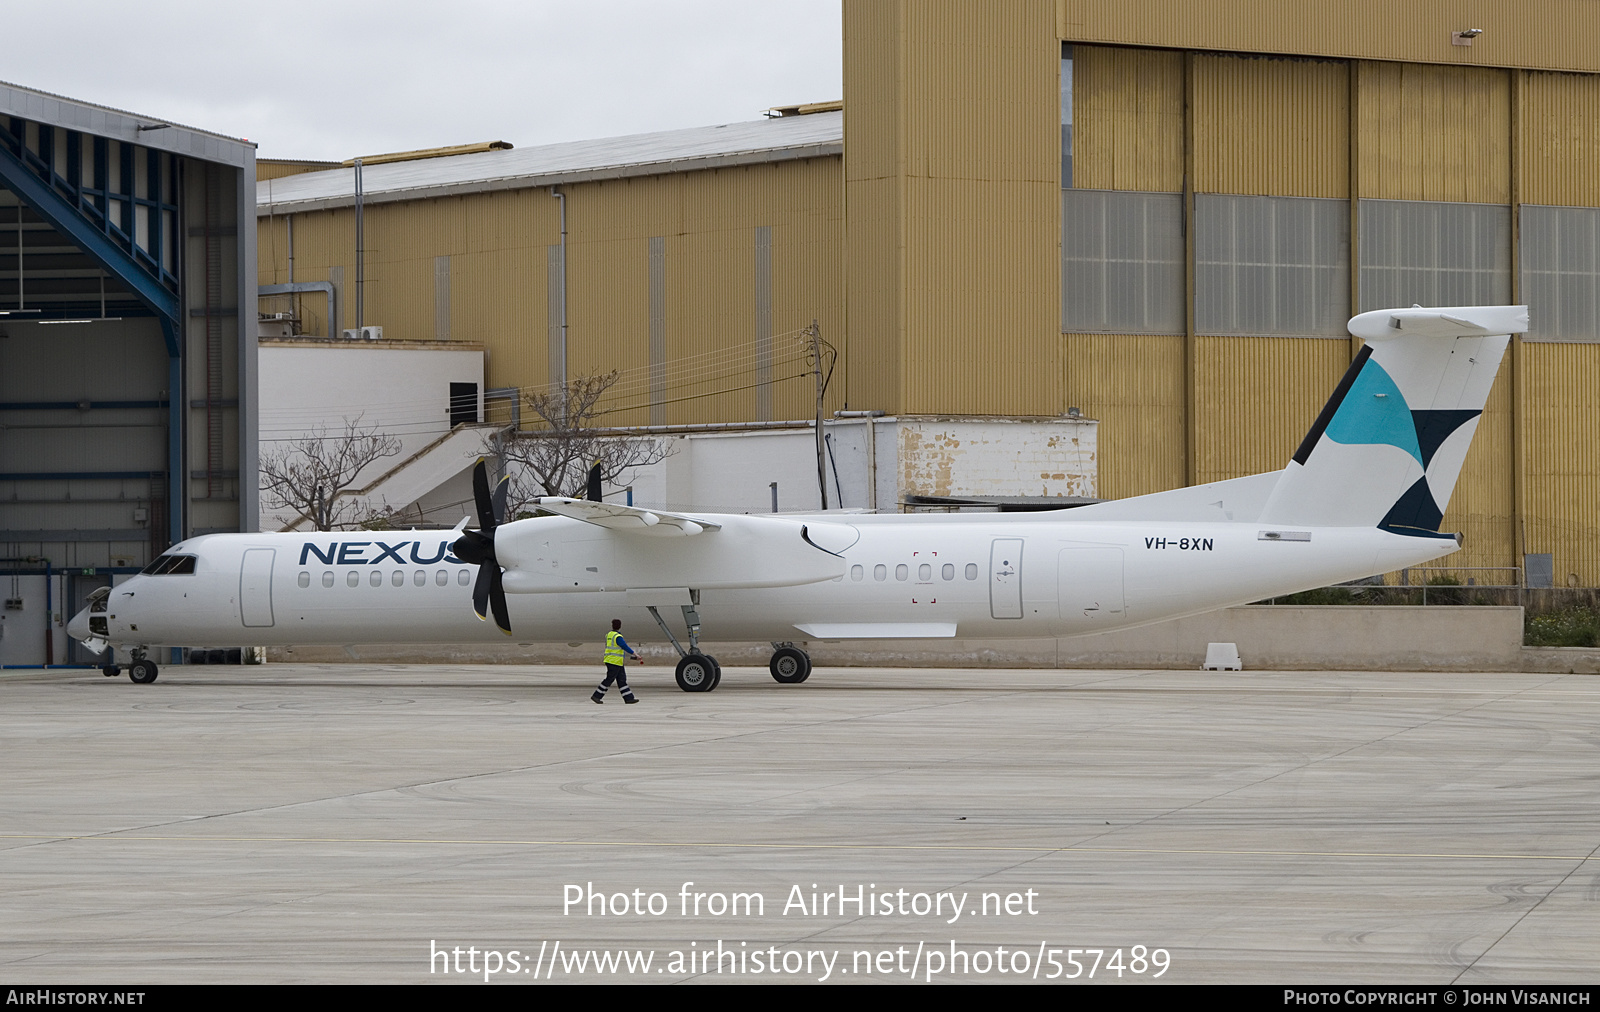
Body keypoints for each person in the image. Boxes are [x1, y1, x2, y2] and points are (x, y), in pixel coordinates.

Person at [593, 618, 641, 704]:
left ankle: (629, 698)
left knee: (622, 680)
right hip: (614, 662)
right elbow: (624, 647)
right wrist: (635, 654)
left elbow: (618, 651)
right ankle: (596, 696)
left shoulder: (609, 635)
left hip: (613, 661)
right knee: (609, 679)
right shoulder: (618, 637)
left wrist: (632, 657)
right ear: (620, 626)